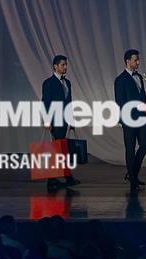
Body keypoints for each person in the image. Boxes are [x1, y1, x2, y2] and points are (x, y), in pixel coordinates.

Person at [41, 54, 81, 191]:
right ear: (55, 66)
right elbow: (46, 103)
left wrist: (71, 120)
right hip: (55, 120)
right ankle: (61, 178)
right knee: (58, 149)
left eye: (66, 65)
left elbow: (69, 103)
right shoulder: (48, 83)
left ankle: (56, 179)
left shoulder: (67, 82)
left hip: (64, 120)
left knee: (61, 149)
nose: (65, 67)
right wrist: (47, 121)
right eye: (63, 65)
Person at [114, 49, 146, 191]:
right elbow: (120, 102)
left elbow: (142, 95)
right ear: (128, 61)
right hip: (128, 119)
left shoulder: (139, 77)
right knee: (130, 149)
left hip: (141, 117)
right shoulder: (120, 79)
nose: (138, 62)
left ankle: (132, 174)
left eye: (138, 60)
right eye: (136, 60)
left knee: (145, 145)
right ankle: (133, 181)